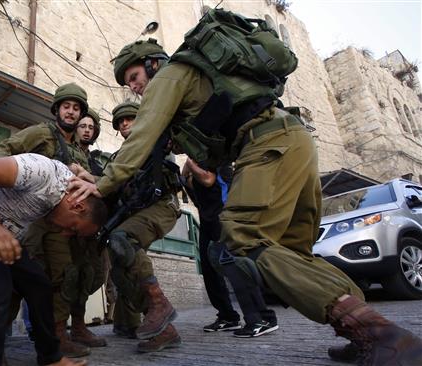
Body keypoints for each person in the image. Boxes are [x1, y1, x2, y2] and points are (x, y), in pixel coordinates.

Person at [68, 34, 422, 365]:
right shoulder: (195, 82)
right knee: (292, 251)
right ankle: (364, 328)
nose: (133, 86)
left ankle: (379, 334)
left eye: (133, 75)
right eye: (128, 82)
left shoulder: (170, 75)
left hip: (266, 142)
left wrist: (103, 185)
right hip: (293, 139)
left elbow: (142, 135)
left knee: (241, 233)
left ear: (153, 63)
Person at [0, 153, 107, 366]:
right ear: (77, 206)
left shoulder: (67, 188)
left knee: (40, 285)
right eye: (73, 229)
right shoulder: (43, 172)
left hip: (4, 238)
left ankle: (51, 358)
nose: (66, 234)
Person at [0, 84, 107, 357]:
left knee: (61, 278)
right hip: (36, 220)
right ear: (57, 109)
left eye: (76, 108)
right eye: (66, 106)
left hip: (64, 222)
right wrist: (4, 185)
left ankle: (56, 337)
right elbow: (3, 149)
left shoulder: (78, 148)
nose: (71, 112)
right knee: (22, 280)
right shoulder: (42, 133)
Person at [102, 101, 183, 353]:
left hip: (162, 205)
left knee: (123, 240)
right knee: (121, 265)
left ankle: (159, 305)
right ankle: (148, 326)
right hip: (136, 212)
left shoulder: (156, 137)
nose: (125, 124)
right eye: (121, 122)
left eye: (130, 119)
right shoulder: (120, 156)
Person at [183, 158, 278, 337]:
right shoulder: (196, 161)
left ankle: (262, 318)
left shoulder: (217, 157)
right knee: (210, 271)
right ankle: (228, 317)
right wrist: (188, 168)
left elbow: (207, 179)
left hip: (224, 219)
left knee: (235, 267)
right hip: (207, 220)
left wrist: (189, 163)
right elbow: (186, 179)